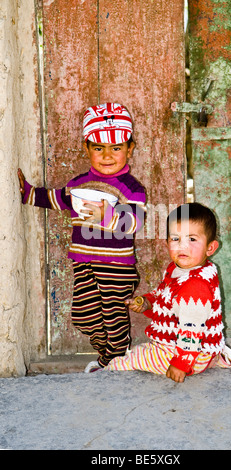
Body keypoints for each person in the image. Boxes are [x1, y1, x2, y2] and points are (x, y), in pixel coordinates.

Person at [18, 103, 146, 371]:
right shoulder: (79, 184)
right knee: (84, 316)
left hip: (117, 266)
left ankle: (115, 360)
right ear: (87, 149)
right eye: (98, 148)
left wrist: (106, 215)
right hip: (83, 262)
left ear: (129, 149)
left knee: (113, 315)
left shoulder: (132, 188)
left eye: (116, 148)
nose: (107, 155)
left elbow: (135, 221)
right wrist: (29, 193)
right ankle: (108, 353)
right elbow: (59, 198)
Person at [104, 202, 231, 382]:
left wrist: (180, 364)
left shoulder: (195, 285)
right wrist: (146, 302)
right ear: (167, 241)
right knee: (155, 348)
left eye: (192, 239)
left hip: (185, 352)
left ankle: (104, 375)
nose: (182, 246)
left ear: (210, 247)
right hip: (198, 348)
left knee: (134, 356)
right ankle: (219, 354)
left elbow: (191, 330)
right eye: (175, 239)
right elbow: (163, 295)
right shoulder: (179, 269)